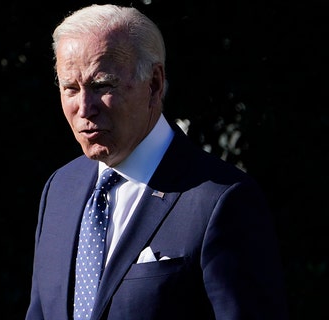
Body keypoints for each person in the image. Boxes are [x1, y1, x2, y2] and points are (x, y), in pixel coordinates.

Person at [25, 4, 288, 319]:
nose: (85, 108)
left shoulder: (220, 201)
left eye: (102, 86)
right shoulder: (60, 189)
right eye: (70, 89)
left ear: (154, 84)